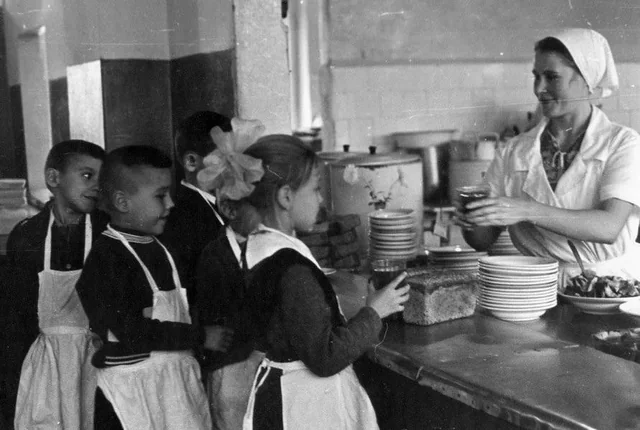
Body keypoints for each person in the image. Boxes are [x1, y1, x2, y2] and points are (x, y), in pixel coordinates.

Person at [226, 134, 410, 430]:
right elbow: (325, 356)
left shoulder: (257, 247)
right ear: (285, 196)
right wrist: (374, 312)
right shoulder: (291, 269)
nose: (321, 199)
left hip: (282, 392)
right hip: (304, 406)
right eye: (316, 189)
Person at [462, 28, 640, 280]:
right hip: (538, 287)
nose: (539, 89)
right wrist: (471, 219)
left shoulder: (622, 142)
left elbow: (609, 227)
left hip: (612, 287)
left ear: (586, 81)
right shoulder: (514, 150)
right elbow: (483, 240)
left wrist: (526, 210)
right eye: (536, 77)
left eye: (551, 77)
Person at [75, 145, 228, 429]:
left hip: (175, 386)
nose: (170, 203)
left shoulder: (163, 248)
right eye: (160, 196)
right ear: (122, 202)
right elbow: (132, 331)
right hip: (132, 394)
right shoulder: (107, 258)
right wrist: (200, 335)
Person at [4, 140, 107, 429]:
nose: (97, 185)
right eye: (87, 176)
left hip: (98, 359)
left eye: (102, 177)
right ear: (53, 179)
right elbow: (16, 321)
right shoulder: (28, 237)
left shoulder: (105, 233)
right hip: (47, 365)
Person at [195, 118, 265, 429]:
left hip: (258, 365)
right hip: (232, 370)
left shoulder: (263, 246)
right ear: (228, 208)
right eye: (256, 207)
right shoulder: (215, 255)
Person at [160, 111, 232, 307]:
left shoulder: (220, 205)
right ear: (191, 162)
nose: (235, 166)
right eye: (225, 158)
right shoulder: (182, 217)